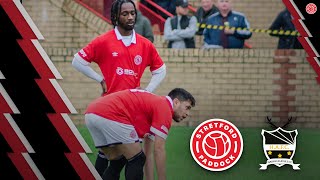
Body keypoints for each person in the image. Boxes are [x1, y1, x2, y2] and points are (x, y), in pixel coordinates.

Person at [71, 0, 166, 178]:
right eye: (125, 14)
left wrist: (146, 91)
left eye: (132, 13)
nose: (130, 17)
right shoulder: (104, 41)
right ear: (115, 17)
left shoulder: (144, 44)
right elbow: (77, 61)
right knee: (123, 157)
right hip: (110, 110)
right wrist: (100, 79)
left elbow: (161, 70)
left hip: (132, 110)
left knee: (118, 158)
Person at [85, 88, 196, 180]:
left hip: (92, 112)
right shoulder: (165, 108)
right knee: (136, 159)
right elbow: (159, 150)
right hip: (110, 114)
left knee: (118, 160)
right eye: (187, 107)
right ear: (176, 102)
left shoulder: (155, 106)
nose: (187, 114)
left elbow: (148, 153)